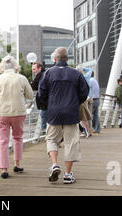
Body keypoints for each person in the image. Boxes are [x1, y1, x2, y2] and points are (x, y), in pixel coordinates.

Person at [37, 47, 89, 184]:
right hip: (71, 112)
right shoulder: (76, 74)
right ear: (67, 59)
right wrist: (74, 102)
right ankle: (68, 174)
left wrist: (50, 104)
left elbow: (41, 94)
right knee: (71, 142)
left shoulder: (47, 73)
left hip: (53, 112)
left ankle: (54, 164)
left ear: (55, 59)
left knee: (51, 139)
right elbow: (84, 92)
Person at [0, 56, 33, 179]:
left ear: (2, 67)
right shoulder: (22, 78)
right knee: (18, 138)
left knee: (3, 141)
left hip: (2, 113)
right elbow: (30, 95)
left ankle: (4, 169)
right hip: (18, 112)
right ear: (15, 66)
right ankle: (17, 164)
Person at [31, 62, 47, 134]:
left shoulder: (40, 75)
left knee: (44, 118)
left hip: (44, 102)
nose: (33, 71)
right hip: (49, 101)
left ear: (39, 68)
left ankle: (46, 134)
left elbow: (33, 86)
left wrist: (32, 83)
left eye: (34, 69)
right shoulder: (46, 73)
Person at [78, 67, 93, 138]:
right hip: (90, 97)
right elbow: (90, 70)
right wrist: (83, 68)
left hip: (84, 99)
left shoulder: (79, 79)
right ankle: (90, 130)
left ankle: (85, 131)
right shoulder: (86, 76)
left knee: (83, 116)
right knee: (88, 115)